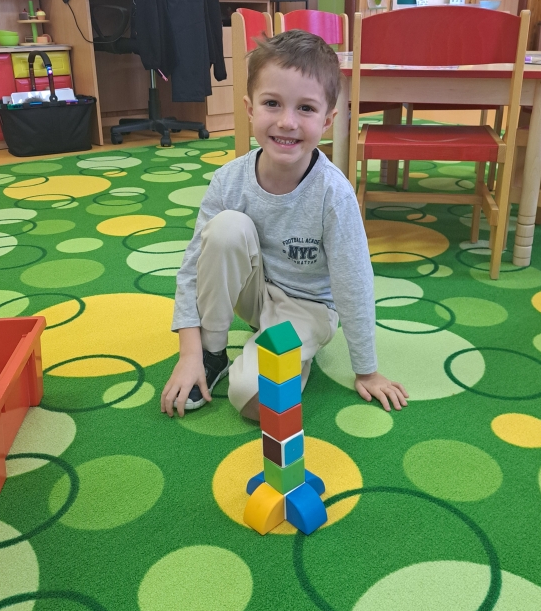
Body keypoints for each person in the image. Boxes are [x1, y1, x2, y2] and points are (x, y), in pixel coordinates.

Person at [161, 30, 408, 420]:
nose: (287, 122)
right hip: (254, 295)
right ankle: (212, 353)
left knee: (254, 402)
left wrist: (367, 370)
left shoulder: (334, 194)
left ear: (328, 120)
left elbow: (354, 282)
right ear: (250, 108)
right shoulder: (228, 180)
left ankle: (292, 356)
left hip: (307, 308)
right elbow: (194, 267)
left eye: (306, 108)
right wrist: (189, 354)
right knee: (226, 228)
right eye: (272, 103)